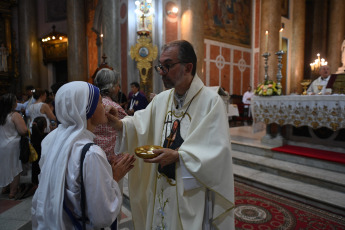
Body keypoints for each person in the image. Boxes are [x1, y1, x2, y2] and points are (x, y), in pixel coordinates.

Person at [109, 40, 235, 229]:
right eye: (160, 66)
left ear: (188, 67)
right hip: (161, 183)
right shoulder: (162, 99)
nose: (161, 72)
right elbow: (141, 123)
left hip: (191, 191)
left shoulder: (211, 102)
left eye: (167, 66)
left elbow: (218, 150)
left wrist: (178, 156)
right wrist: (119, 124)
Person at [31, 81, 136, 229]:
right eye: (100, 103)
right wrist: (114, 178)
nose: (105, 107)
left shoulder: (52, 139)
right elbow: (102, 216)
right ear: (89, 109)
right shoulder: (91, 154)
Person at [93, 68, 127, 158]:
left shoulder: (90, 103)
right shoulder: (114, 107)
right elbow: (129, 128)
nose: (118, 88)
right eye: (117, 85)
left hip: (93, 154)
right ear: (111, 87)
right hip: (111, 158)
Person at [0, 93, 28, 198]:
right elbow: (23, 130)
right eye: (15, 101)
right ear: (12, 103)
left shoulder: (1, 115)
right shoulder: (14, 115)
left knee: (4, 167)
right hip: (13, 145)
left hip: (1, 144)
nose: (17, 103)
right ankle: (13, 191)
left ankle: (4, 188)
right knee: (14, 167)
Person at [31, 116, 47, 187]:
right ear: (45, 126)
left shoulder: (32, 136)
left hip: (34, 159)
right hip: (43, 160)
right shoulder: (46, 137)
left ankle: (34, 184)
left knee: (34, 168)